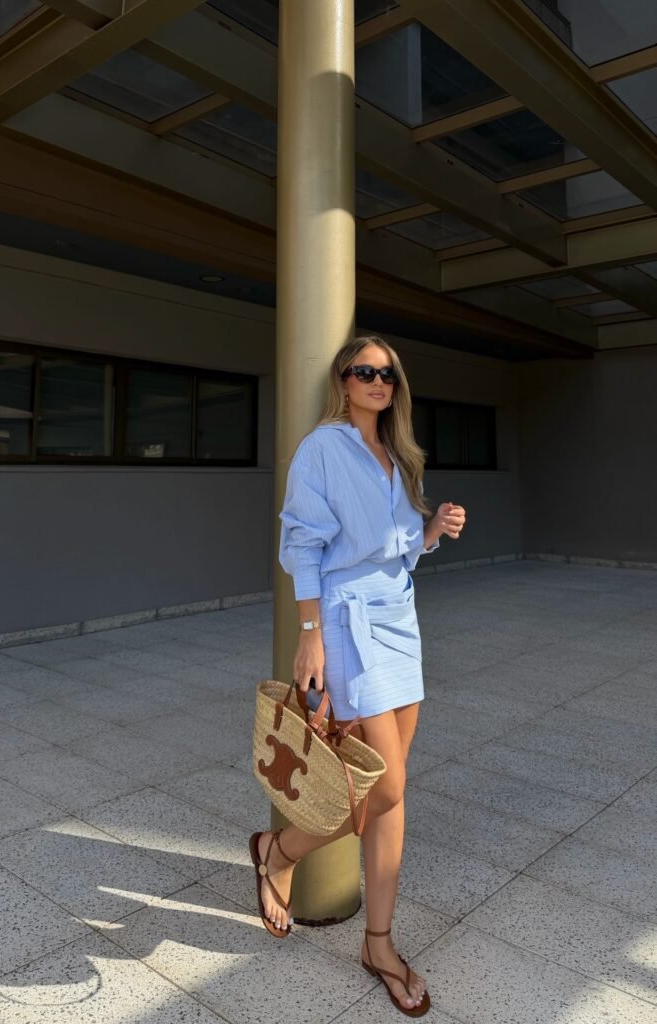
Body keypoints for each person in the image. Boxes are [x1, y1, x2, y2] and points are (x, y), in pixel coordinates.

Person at [249, 334, 466, 1017]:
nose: (377, 381)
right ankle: (280, 851)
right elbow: (302, 544)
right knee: (384, 784)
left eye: (387, 373)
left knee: (391, 796)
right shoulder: (322, 448)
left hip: (399, 620)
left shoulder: (397, 456)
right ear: (342, 381)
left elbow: (396, 551)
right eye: (363, 371)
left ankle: (377, 943)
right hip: (345, 623)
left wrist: (430, 530)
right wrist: (309, 635)